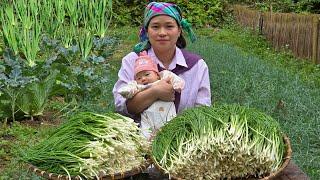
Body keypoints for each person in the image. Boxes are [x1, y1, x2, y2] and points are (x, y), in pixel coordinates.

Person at [113, 1, 211, 125]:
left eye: (169, 26)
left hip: (184, 139)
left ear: (179, 30)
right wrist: (154, 92)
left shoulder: (197, 66)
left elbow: (203, 112)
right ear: (147, 31)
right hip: (139, 140)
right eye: (155, 27)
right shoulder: (132, 61)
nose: (162, 33)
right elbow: (121, 108)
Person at [118, 51, 185, 139]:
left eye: (147, 74)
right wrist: (126, 91)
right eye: (139, 78)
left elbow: (175, 79)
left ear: (157, 75)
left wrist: (177, 85)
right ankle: (147, 144)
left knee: (172, 129)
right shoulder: (140, 87)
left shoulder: (163, 78)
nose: (143, 79)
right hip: (148, 118)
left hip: (167, 114)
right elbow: (131, 89)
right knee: (146, 133)